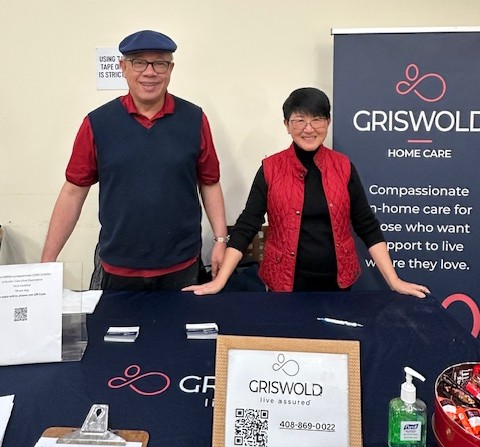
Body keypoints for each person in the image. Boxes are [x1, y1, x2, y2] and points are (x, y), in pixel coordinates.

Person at [183, 87, 430, 297]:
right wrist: (220, 281)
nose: (309, 129)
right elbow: (247, 225)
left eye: (317, 119)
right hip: (284, 284)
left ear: (328, 122)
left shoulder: (343, 166)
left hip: (338, 284)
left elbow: (367, 224)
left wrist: (394, 281)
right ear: (286, 125)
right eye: (299, 120)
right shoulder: (271, 168)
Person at [41, 30, 228, 291]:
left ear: (170, 69)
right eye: (139, 62)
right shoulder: (98, 123)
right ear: (123, 68)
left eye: (160, 63)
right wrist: (47, 263)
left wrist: (220, 239)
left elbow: (209, 182)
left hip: (182, 266)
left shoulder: (194, 119)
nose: (150, 72)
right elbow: (73, 191)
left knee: (180, 321)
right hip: (118, 267)